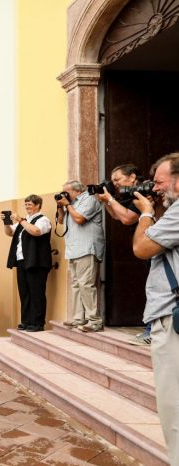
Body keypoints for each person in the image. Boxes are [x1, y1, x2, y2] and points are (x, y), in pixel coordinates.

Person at [131, 152, 179, 464]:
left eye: (160, 182)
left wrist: (146, 214)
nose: (155, 188)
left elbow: (141, 247)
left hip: (173, 320)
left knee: (174, 404)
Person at [97, 164, 151, 345]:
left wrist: (110, 199)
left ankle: (151, 330)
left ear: (132, 177)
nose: (115, 183)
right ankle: (151, 329)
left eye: (117, 179)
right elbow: (117, 215)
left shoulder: (142, 193)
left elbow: (128, 218)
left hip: (152, 244)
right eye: (113, 181)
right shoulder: (130, 194)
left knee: (155, 288)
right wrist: (106, 201)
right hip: (146, 244)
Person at [56, 181, 105, 332]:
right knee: (76, 285)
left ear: (77, 191)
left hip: (86, 248)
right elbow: (60, 221)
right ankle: (78, 318)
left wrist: (68, 205)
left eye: (66, 192)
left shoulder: (89, 200)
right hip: (73, 249)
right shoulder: (71, 204)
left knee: (86, 285)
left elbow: (80, 219)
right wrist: (61, 207)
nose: (64, 194)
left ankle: (94, 320)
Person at [3, 195, 52, 332]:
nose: (27, 207)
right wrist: (6, 222)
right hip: (22, 261)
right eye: (25, 205)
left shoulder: (43, 220)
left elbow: (36, 231)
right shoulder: (25, 221)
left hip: (37, 261)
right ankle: (26, 321)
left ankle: (37, 323)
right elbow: (9, 233)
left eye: (29, 204)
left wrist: (20, 220)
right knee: (24, 293)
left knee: (36, 293)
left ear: (38, 205)